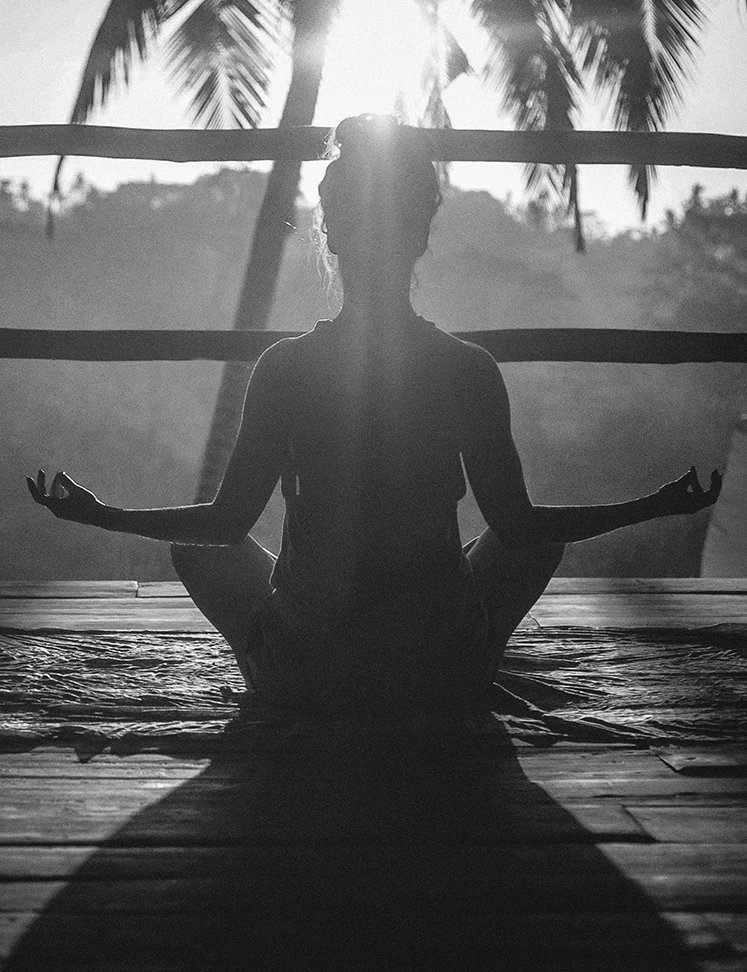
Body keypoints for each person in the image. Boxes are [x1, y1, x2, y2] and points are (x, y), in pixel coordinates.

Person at [28, 114, 721, 724]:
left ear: (330, 236)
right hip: (435, 670)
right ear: (420, 237)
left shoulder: (286, 367)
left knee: (197, 550)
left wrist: (101, 514)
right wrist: (654, 505)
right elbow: (519, 526)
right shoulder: (466, 368)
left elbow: (223, 525)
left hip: (309, 674)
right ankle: (468, 665)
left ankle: (280, 673)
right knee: (532, 542)